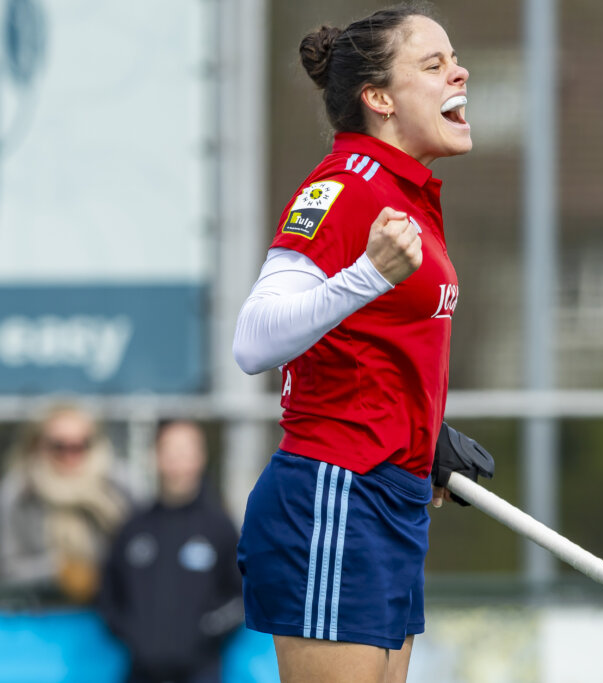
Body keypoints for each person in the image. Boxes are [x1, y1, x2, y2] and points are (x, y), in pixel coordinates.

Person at [231, 4, 490, 683]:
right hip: (335, 495)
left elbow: (372, 348)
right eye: (432, 65)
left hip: (393, 496)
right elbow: (253, 340)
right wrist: (367, 275)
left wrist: (421, 433)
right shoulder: (343, 187)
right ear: (379, 98)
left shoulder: (409, 196)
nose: (459, 72)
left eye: (454, 59)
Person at [97, 419, 243, 683]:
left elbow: (241, 596)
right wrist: (135, 634)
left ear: (201, 457)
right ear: (155, 456)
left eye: (186, 450)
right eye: (169, 449)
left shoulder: (219, 527)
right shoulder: (134, 528)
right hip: (141, 672)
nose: (177, 460)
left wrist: (202, 631)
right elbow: (109, 595)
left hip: (201, 672)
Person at [0, 402, 130, 604]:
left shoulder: (119, 487)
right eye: (59, 446)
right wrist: (57, 570)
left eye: (80, 445)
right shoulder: (19, 493)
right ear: (38, 445)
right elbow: (7, 567)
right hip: (39, 613)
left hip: (111, 610)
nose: (70, 456)